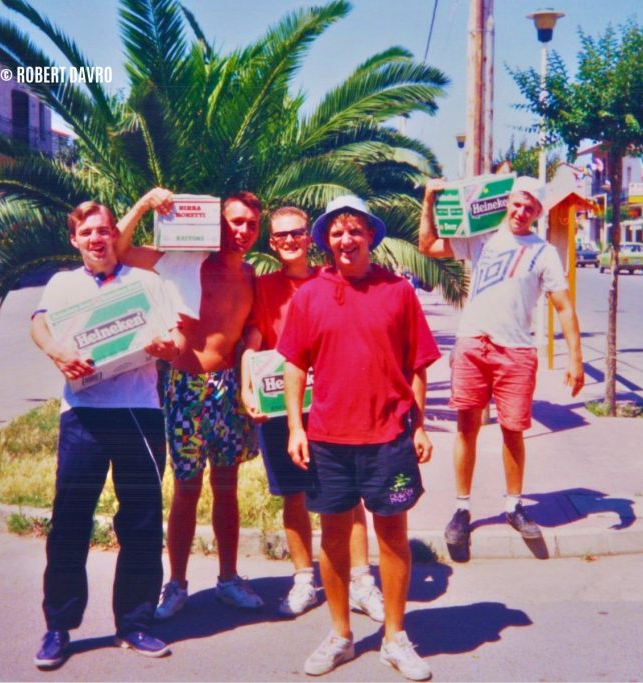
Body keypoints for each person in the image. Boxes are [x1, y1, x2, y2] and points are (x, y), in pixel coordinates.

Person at [279, 196, 440, 680]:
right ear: (326, 241)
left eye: (354, 230)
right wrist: (295, 427)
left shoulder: (399, 291)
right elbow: (294, 364)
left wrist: (419, 425)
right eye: (336, 232)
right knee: (332, 541)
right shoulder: (310, 295)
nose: (346, 240)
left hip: (389, 438)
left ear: (370, 235)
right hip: (328, 439)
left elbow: (417, 365)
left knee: (392, 537)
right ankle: (341, 635)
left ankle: (395, 637)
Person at [30, 201, 180, 669]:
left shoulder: (147, 282)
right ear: (74, 239)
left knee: (141, 521)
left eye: (105, 230)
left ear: (116, 234)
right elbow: (39, 324)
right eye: (88, 232)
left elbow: (176, 340)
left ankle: (134, 623)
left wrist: (164, 347)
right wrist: (57, 352)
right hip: (84, 414)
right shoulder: (63, 284)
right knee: (70, 520)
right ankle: (58, 626)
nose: (97, 238)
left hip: (139, 412)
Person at [115, 187, 264, 619]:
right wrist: (144, 204)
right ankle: (177, 584)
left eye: (251, 224)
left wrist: (252, 381)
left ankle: (228, 579)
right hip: (186, 387)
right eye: (235, 222)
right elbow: (120, 251)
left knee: (227, 488)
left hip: (229, 389)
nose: (243, 231)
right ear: (218, 223)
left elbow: (252, 331)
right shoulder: (185, 262)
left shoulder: (251, 275)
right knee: (186, 488)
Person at [418, 176, 584, 554]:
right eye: (517, 204)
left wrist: (575, 359)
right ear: (507, 202)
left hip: (516, 352)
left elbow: (563, 306)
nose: (521, 212)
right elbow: (427, 246)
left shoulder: (543, 253)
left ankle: (513, 506)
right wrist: (428, 201)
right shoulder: (481, 238)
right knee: (467, 428)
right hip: (473, 344)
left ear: (538, 213)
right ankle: (462, 508)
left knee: (513, 431)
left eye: (530, 208)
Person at [239, 206, 384, 621]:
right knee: (294, 494)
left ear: (310, 237)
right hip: (280, 406)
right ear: (272, 242)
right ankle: (304, 579)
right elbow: (252, 342)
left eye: (297, 233)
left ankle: (361, 581)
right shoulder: (264, 287)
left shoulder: (333, 279)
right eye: (281, 235)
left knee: (350, 496)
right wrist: (247, 388)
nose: (289, 240)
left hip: (333, 405)